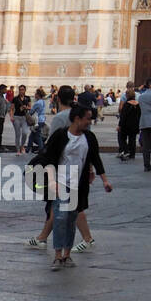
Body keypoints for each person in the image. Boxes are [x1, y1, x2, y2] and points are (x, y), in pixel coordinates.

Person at [36, 104, 112, 270]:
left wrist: (105, 180)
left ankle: (67, 255)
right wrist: (51, 181)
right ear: (77, 119)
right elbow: (48, 158)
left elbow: (95, 158)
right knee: (60, 217)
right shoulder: (61, 135)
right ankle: (57, 255)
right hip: (60, 182)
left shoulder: (89, 138)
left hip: (79, 183)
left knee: (70, 219)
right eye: (87, 118)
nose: (89, 122)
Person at [28, 88, 48, 154]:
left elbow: (31, 111)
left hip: (38, 120)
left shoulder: (38, 103)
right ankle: (28, 148)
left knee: (37, 135)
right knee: (32, 135)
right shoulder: (42, 101)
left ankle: (41, 149)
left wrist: (27, 110)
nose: (34, 95)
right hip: (42, 119)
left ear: (38, 95)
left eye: (35, 94)